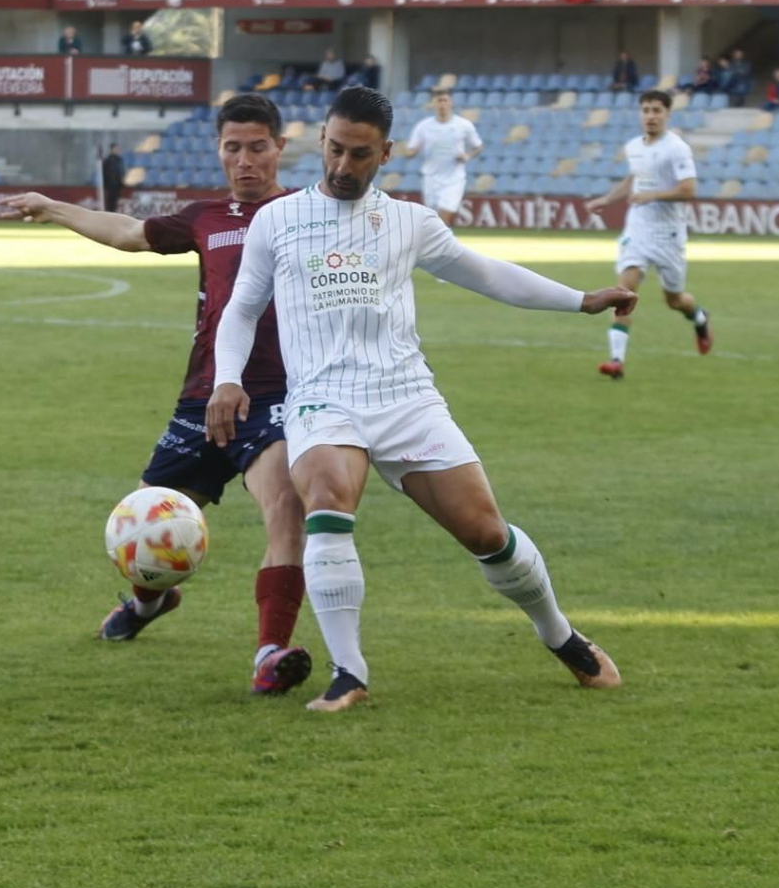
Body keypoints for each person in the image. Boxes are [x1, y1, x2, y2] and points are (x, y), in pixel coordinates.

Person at [205, 87, 634, 712]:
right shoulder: (277, 220)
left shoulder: (409, 222)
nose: (342, 166)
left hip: (406, 397)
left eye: (358, 155)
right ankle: (348, 672)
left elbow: (485, 272)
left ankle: (559, 633)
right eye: (333, 150)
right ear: (320, 139)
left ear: (385, 153)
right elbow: (242, 308)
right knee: (326, 497)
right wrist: (227, 377)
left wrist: (579, 300)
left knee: (486, 532)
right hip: (322, 399)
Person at [0, 94, 312, 695]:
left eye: (257, 147)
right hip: (202, 399)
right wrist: (53, 207)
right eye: (232, 148)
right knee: (145, 522)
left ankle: (270, 653)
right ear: (219, 151)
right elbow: (128, 233)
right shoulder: (207, 218)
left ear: (279, 148)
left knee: (286, 508)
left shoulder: (309, 214)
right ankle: (146, 606)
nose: (244, 160)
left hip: (277, 397)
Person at [585, 89, 710, 379]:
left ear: (667, 114)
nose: (651, 116)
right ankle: (616, 360)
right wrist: (607, 199)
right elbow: (634, 178)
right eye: (646, 110)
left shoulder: (677, 148)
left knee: (675, 300)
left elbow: (689, 190)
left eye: (657, 110)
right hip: (637, 230)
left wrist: (652, 195)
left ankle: (700, 318)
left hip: (668, 235)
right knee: (624, 292)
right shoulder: (634, 146)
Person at [401, 88, 482, 229]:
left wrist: (467, 156)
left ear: (451, 103)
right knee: (434, 218)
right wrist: (410, 152)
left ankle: (439, 248)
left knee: (445, 215)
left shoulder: (463, 125)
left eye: (445, 100)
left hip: (454, 178)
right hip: (431, 177)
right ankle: (438, 247)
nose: (442, 104)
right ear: (434, 103)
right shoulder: (423, 127)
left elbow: (478, 146)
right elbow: (411, 150)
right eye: (439, 100)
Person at [100, 142, 125, 212]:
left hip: (118, 184)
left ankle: (114, 212)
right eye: (116, 149)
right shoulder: (108, 161)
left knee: (116, 201)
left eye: (118, 149)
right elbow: (105, 172)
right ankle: (110, 212)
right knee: (110, 201)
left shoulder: (119, 159)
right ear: (112, 149)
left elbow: (121, 171)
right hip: (110, 184)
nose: (117, 150)